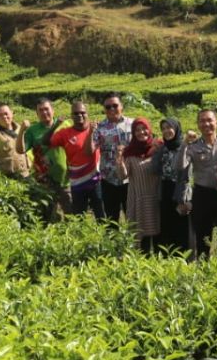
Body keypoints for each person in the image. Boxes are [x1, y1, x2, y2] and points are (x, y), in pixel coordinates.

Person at [176, 108, 217, 260]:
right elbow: (180, 166)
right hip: (202, 196)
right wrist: (185, 143)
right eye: (202, 121)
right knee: (203, 240)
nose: (206, 124)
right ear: (198, 124)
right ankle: (205, 275)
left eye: (210, 120)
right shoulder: (193, 146)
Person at [50, 101, 104, 218]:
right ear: (71, 115)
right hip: (77, 183)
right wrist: (55, 125)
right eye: (76, 113)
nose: (79, 115)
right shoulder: (64, 133)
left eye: (82, 112)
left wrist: (92, 131)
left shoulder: (97, 129)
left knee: (101, 215)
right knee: (79, 216)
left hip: (96, 180)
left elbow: (90, 151)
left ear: (87, 114)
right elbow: (47, 141)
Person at [20, 98, 71, 219]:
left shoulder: (66, 125)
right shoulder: (32, 131)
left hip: (66, 179)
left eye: (46, 109)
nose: (44, 113)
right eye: (40, 110)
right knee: (47, 215)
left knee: (71, 214)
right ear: (37, 114)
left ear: (53, 111)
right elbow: (21, 149)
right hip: (44, 180)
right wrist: (21, 131)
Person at [115, 118, 161, 251]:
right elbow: (123, 176)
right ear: (133, 133)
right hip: (139, 199)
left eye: (144, 128)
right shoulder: (129, 152)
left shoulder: (158, 146)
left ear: (149, 129)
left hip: (157, 198)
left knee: (159, 235)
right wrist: (120, 162)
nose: (141, 132)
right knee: (143, 237)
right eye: (137, 130)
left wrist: (161, 152)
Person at [94, 92, 134, 221]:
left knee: (132, 217)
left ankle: (132, 242)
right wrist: (90, 130)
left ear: (121, 106)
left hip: (130, 179)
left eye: (115, 105)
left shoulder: (133, 125)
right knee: (111, 219)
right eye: (108, 107)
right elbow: (90, 149)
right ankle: (113, 242)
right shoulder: (99, 127)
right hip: (108, 179)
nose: (112, 109)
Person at [155, 117, 191, 254]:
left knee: (181, 228)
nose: (166, 131)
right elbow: (155, 169)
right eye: (163, 128)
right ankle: (166, 261)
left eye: (169, 127)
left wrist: (184, 199)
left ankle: (183, 260)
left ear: (176, 128)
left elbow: (188, 175)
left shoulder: (186, 146)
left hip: (180, 190)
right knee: (166, 226)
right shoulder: (163, 148)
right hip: (165, 190)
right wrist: (155, 151)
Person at [0, 103, 30, 178]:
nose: (4, 117)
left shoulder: (20, 128)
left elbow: (27, 150)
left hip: (26, 173)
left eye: (6, 113)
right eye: (0, 115)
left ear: (12, 113)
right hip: (8, 177)